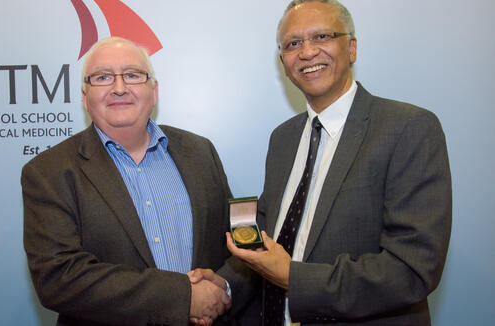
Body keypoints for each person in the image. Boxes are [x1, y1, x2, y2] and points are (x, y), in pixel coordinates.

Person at [226, 1, 452, 325]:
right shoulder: (282, 139)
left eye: (321, 36)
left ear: (352, 47)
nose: (307, 52)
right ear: (283, 62)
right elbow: (266, 233)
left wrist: (293, 277)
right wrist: (220, 284)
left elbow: (412, 270)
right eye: (293, 43)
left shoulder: (408, 128)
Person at [22, 37, 254, 326]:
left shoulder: (200, 151)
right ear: (84, 96)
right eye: (103, 77)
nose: (119, 88)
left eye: (132, 75)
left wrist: (225, 287)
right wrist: (183, 297)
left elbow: (241, 240)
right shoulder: (48, 172)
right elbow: (59, 278)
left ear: (153, 91)